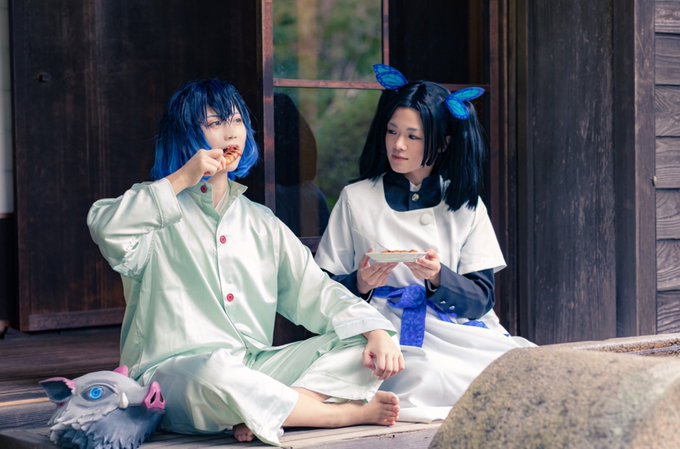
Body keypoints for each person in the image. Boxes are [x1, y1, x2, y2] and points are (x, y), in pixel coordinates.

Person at [87, 79, 404, 446]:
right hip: (174, 376)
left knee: (365, 344)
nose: (230, 132)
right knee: (214, 373)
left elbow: (317, 291)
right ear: (185, 135)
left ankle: (264, 410)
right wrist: (181, 178)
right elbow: (106, 227)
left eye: (236, 120)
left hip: (253, 366)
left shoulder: (261, 222)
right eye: (215, 123)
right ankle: (335, 414)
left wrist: (375, 331)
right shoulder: (153, 211)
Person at [314, 65, 534, 423]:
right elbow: (320, 290)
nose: (398, 145)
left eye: (413, 136)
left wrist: (438, 277)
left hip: (453, 330)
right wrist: (362, 283)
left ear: (443, 141)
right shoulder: (356, 198)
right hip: (382, 330)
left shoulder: (464, 205)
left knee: (520, 368)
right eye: (392, 131)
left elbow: (481, 299)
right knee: (425, 374)